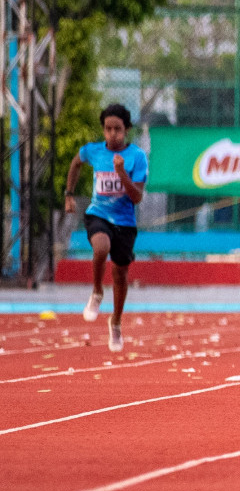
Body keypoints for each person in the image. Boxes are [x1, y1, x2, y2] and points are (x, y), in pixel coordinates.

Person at [64, 104, 148, 353]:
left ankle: (116, 321)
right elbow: (76, 163)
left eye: (118, 129)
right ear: (103, 130)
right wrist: (69, 194)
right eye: (108, 129)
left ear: (127, 130)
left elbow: (137, 197)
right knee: (101, 247)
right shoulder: (94, 151)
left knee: (121, 275)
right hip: (98, 214)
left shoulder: (136, 157)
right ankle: (97, 291)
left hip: (125, 222)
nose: (113, 134)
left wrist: (122, 172)